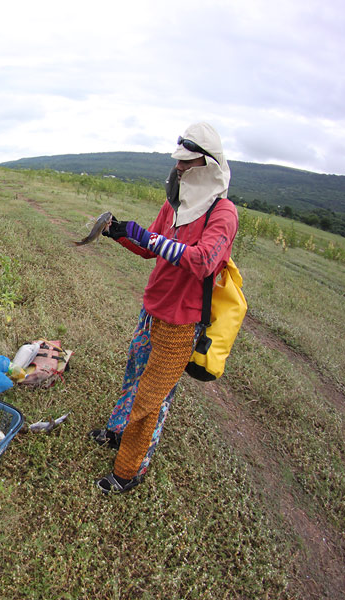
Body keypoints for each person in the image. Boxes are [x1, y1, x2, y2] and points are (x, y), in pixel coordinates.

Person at [92, 122, 238, 493]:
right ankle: (116, 433)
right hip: (152, 309)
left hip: (182, 323)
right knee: (133, 376)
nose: (179, 169)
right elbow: (148, 249)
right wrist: (121, 233)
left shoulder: (222, 214)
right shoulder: (173, 207)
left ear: (208, 166)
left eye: (187, 164)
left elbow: (204, 261)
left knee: (151, 398)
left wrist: (149, 236)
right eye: (179, 162)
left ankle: (128, 471)